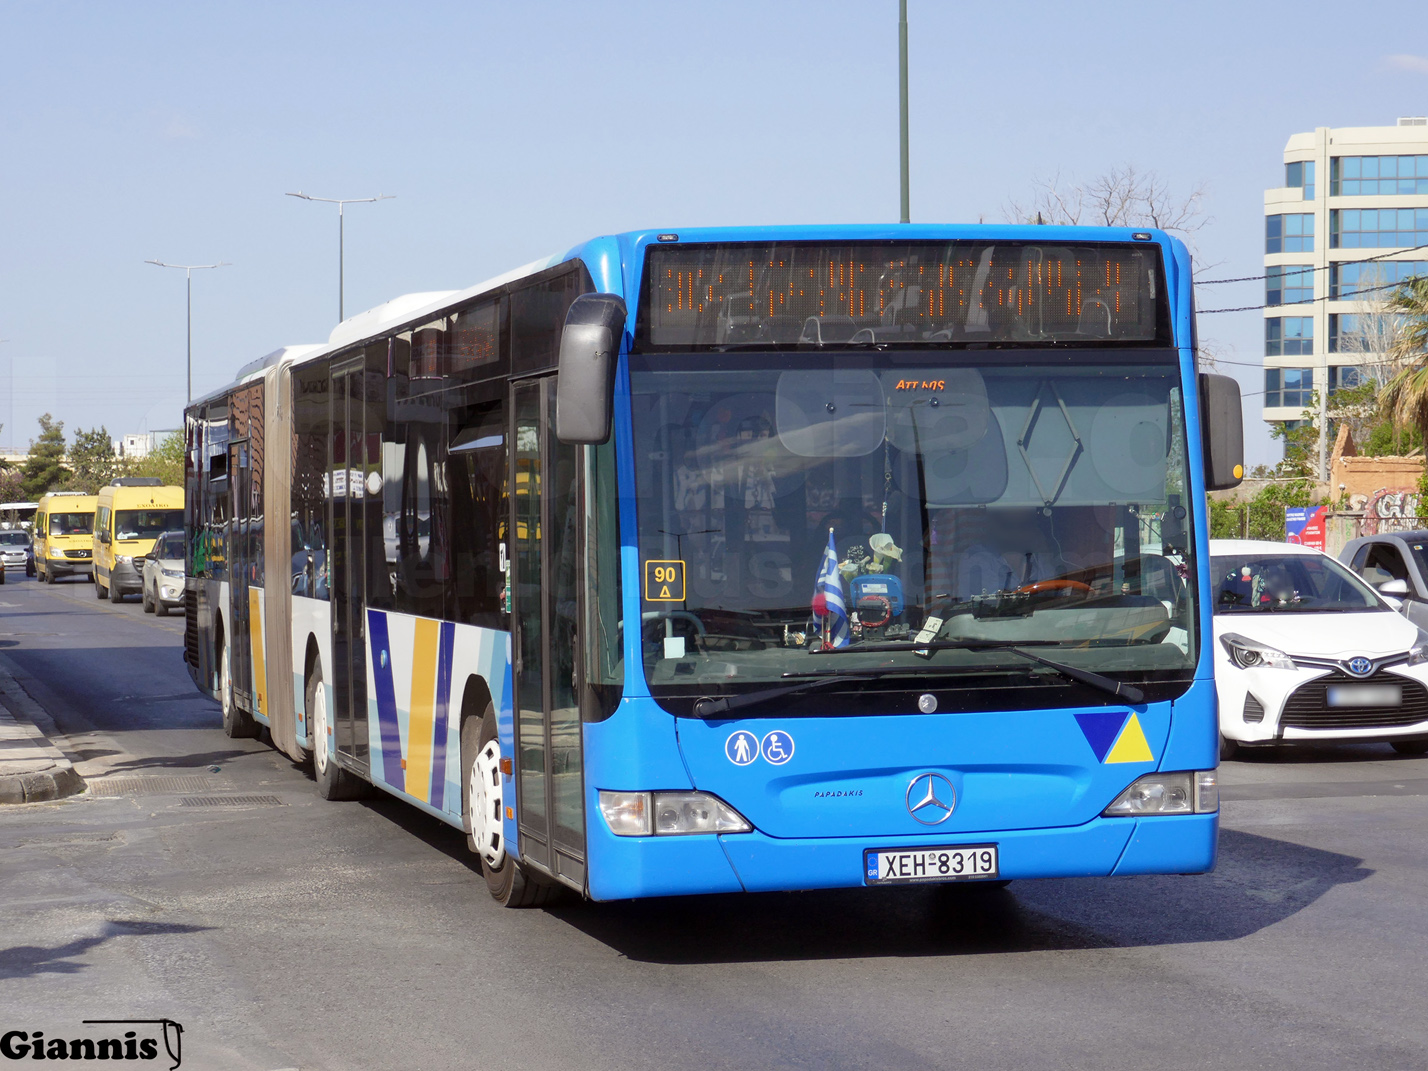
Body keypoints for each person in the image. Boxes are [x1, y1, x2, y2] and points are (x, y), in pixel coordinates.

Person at [953, 506, 1070, 602]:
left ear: (1034, 527)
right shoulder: (975, 558)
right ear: (992, 525)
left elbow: (1055, 595)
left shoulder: (1039, 558)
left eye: (1024, 525)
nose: (1016, 533)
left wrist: (1044, 551)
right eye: (1007, 525)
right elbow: (996, 606)